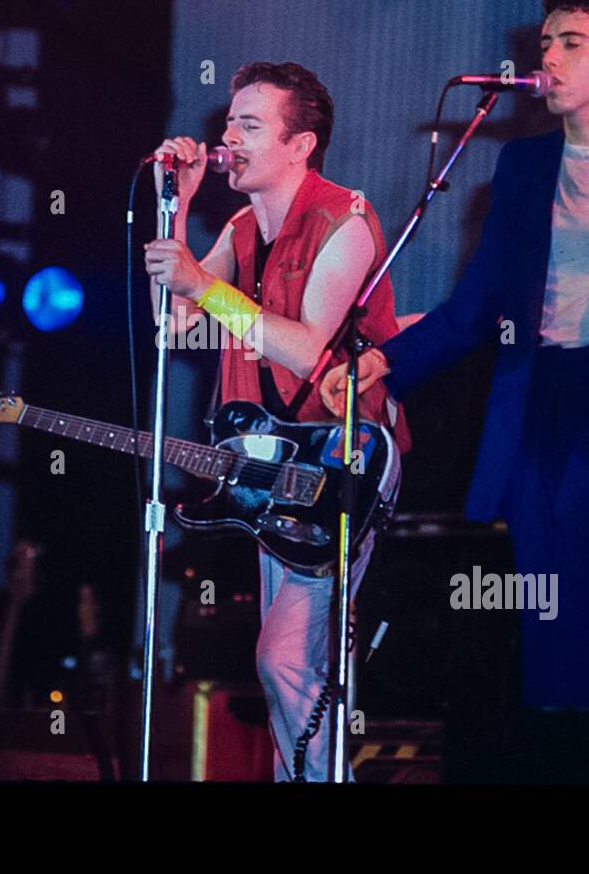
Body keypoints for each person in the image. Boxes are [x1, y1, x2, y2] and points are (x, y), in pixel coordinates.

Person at [322, 0, 589, 711]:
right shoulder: (523, 169)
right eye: (545, 42)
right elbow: (476, 306)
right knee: (544, 638)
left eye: (570, 41)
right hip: (534, 409)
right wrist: (386, 360)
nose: (549, 55)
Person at [145, 61, 410, 780]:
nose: (227, 135)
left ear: (301, 145)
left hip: (341, 464)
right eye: (230, 121)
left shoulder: (344, 221)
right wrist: (178, 205)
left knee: (287, 656)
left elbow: (305, 345)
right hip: (269, 462)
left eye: (250, 124)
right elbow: (175, 325)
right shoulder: (238, 225)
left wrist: (204, 283)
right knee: (288, 666)